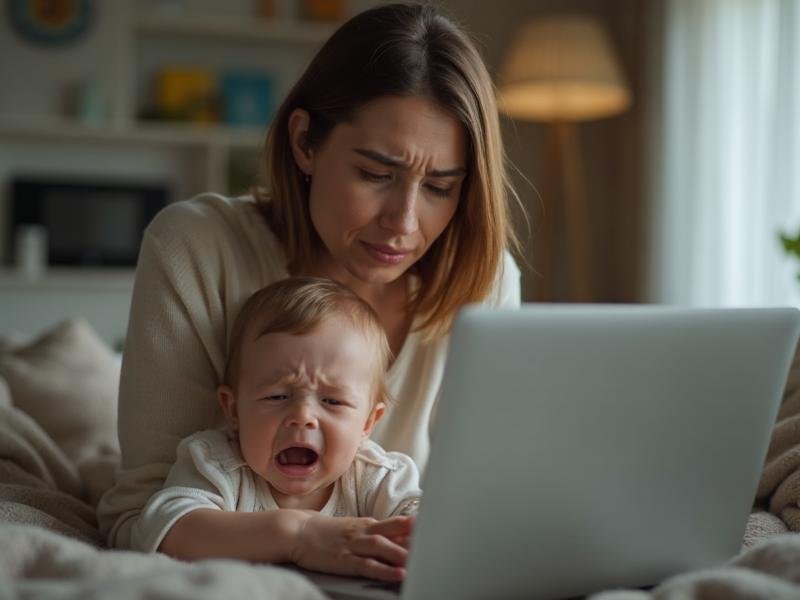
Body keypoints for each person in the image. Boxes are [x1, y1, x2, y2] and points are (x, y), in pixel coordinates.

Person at [99, 1, 523, 582]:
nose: (403, 222)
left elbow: (487, 510)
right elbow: (136, 521)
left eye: (440, 188)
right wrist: (298, 535)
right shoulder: (196, 247)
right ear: (305, 142)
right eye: (376, 174)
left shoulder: (485, 281)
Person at [133, 277, 420, 581]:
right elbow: (165, 530)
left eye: (332, 401)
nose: (302, 416)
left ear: (367, 423)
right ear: (233, 409)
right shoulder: (217, 464)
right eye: (277, 396)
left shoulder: (378, 477)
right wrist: (298, 533)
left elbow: (432, 529)